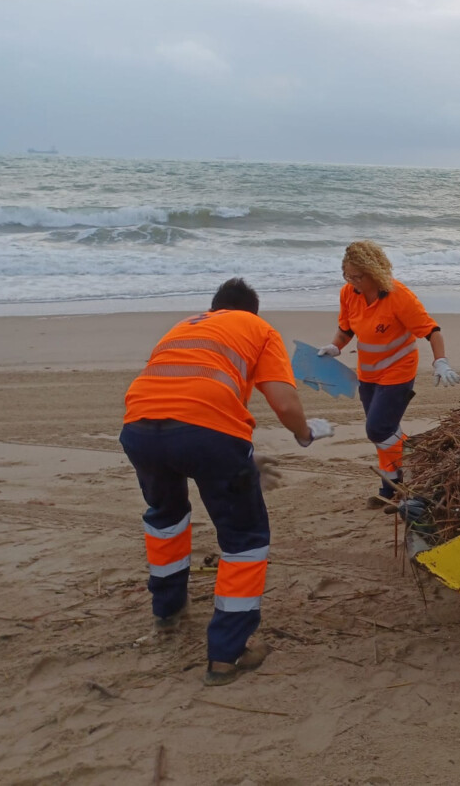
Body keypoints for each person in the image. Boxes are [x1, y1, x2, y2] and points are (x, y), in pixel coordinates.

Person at [119, 278, 333, 687]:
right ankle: (227, 656)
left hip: (139, 430)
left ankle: (168, 612)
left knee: (165, 518)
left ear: (213, 307)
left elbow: (183, 397)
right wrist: (305, 433)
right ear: (251, 311)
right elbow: (284, 402)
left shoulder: (185, 327)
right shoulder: (259, 329)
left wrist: (239, 458)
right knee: (245, 539)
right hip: (207, 434)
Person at [318, 240, 460, 508]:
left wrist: (441, 361)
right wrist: (335, 347)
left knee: (378, 429)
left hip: (398, 372)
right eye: (348, 275)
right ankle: (392, 487)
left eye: (358, 276)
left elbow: (431, 330)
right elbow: (346, 329)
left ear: (374, 272)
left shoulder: (399, 296)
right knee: (385, 431)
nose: (352, 281)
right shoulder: (349, 293)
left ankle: (410, 463)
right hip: (368, 375)